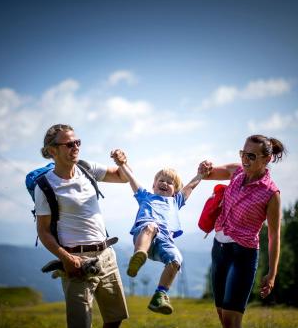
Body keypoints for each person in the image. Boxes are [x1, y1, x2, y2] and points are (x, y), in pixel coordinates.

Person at [34, 124, 129, 328]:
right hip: (76, 262)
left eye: (77, 142)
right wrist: (66, 258)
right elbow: (42, 230)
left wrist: (122, 162)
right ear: (52, 151)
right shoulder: (44, 186)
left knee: (115, 318)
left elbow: (123, 177)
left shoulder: (87, 168)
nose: (75, 147)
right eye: (69, 144)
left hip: (106, 255)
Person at [198, 135, 285, 328]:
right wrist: (204, 167)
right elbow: (208, 174)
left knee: (231, 319)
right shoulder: (236, 171)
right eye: (243, 154)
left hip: (243, 254)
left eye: (252, 156)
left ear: (267, 159)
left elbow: (274, 235)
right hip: (219, 250)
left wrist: (272, 274)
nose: (245, 160)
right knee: (222, 315)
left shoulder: (271, 193)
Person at [111, 149, 203, 315]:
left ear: (175, 190)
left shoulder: (176, 201)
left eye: (170, 182)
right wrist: (122, 164)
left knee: (177, 259)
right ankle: (139, 256)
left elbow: (190, 186)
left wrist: (200, 174)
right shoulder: (145, 196)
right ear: (153, 185)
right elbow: (132, 179)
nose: (165, 183)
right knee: (151, 227)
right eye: (161, 180)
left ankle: (160, 295)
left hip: (165, 241)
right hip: (144, 235)